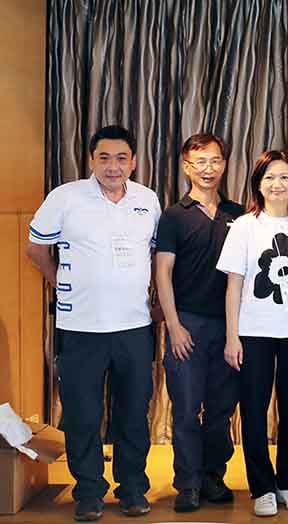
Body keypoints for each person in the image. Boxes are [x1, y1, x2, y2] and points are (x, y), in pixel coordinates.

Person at [26, 125, 160, 521]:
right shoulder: (65, 198)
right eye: (104, 157)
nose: (113, 166)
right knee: (83, 414)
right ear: (91, 160)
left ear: (133, 161)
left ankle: (133, 488)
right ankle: (89, 492)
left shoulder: (147, 201)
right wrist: (63, 284)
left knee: (133, 412)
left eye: (121, 158)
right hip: (80, 327)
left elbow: (155, 258)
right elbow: (36, 250)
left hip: (134, 327)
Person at [216, 151, 288, 517]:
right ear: (258, 183)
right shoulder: (244, 226)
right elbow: (233, 286)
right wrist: (232, 336)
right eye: (270, 177)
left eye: (285, 177)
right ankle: (262, 487)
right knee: (254, 411)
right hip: (253, 334)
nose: (277, 184)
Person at [155, 133, 244, 513]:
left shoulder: (239, 214)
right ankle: (187, 483)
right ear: (187, 166)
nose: (208, 169)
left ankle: (213, 477)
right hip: (187, 324)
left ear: (225, 164)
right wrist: (174, 326)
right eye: (200, 162)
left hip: (230, 326)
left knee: (222, 409)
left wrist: (236, 332)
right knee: (187, 409)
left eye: (215, 160)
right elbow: (162, 273)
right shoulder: (174, 215)